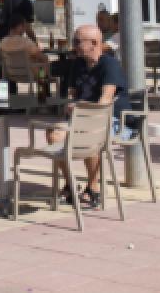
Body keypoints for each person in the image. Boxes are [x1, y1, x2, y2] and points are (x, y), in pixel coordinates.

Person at [49, 25, 128, 209]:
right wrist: (70, 105)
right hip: (82, 117)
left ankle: (94, 187)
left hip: (114, 119)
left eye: (77, 42)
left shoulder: (109, 64)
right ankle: (70, 184)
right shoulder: (77, 64)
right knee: (54, 135)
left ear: (94, 43)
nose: (73, 46)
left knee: (88, 135)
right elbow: (72, 93)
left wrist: (83, 111)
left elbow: (105, 99)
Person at [0, 0, 40, 80]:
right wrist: (35, 43)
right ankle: (13, 91)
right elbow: (27, 26)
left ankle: (1, 93)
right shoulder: (26, 1)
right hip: (12, 35)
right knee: (13, 63)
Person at [0, 12, 49, 83]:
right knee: (44, 65)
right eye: (24, 26)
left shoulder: (2, 42)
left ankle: (43, 84)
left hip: (11, 74)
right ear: (19, 26)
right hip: (31, 73)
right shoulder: (26, 42)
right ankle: (43, 87)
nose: (25, 29)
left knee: (40, 64)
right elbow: (43, 57)